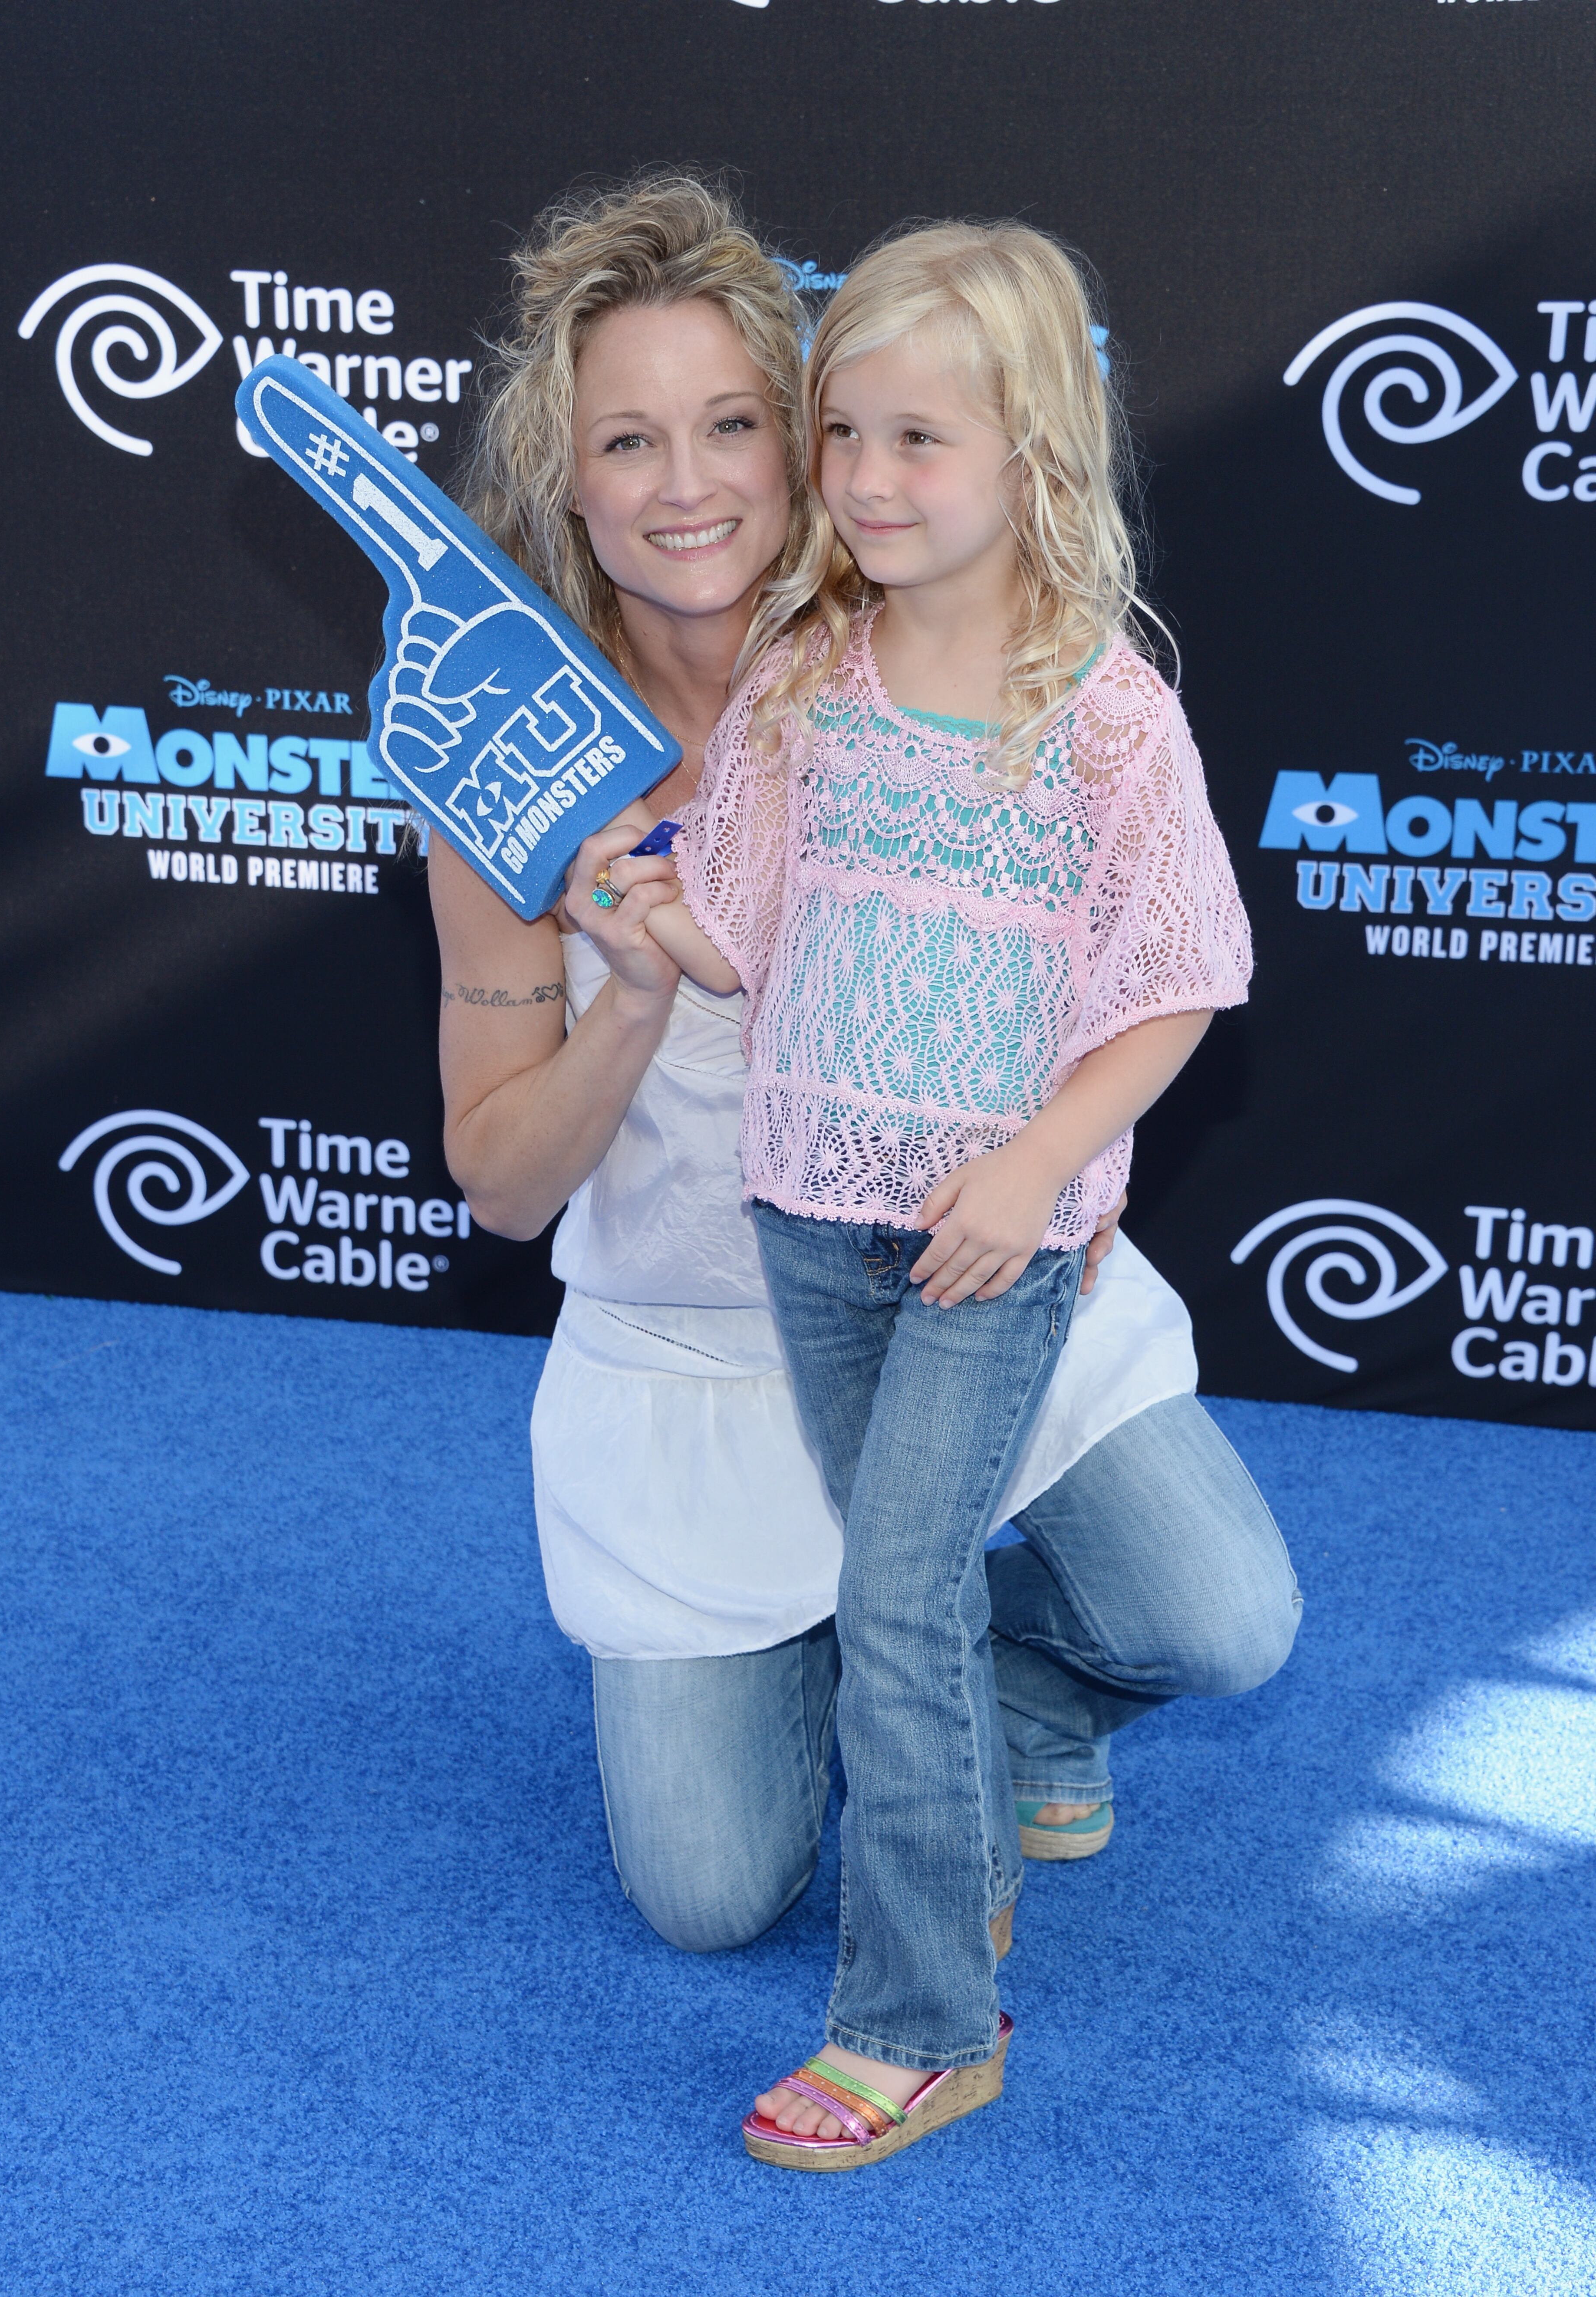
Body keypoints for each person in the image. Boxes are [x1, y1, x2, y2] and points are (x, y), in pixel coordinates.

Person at [428, 178, 1300, 2016]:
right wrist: (636, 987)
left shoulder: (917, 638)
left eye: (738, 425)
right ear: (564, 479)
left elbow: (1126, 948)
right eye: (629, 441)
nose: (691, 485)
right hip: (698, 1349)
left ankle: (998, 1697)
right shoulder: (511, 766)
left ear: (808, 431)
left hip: (971, 1281)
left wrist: (1066, 1155)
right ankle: (883, 1667)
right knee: (709, 1893)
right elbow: (505, 1188)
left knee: (1220, 1617)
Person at [630, 219, 1270, 2168]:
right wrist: (651, 912)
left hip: (997, 1236)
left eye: (923, 440)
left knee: (902, 1597)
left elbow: (1178, 986)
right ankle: (976, 1821)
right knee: (889, 1579)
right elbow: (746, 930)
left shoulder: (1104, 716)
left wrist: (1033, 1167)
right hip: (807, 1208)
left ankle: (921, 2022)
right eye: (844, 436)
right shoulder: (810, 669)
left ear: (1034, 462)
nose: (869, 483)